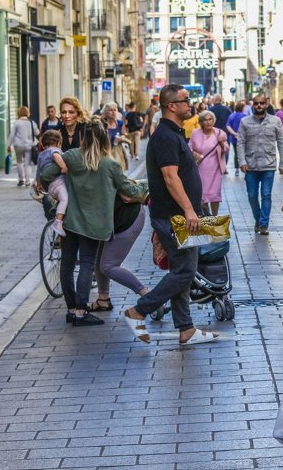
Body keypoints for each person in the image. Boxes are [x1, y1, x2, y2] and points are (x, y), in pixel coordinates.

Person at [123, 83, 219, 346]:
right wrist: (189, 209)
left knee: (182, 269)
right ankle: (138, 311)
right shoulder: (165, 135)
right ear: (172, 106)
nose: (191, 104)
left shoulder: (174, 133)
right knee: (186, 271)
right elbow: (169, 176)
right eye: (186, 100)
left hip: (180, 214)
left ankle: (186, 328)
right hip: (174, 216)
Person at [38, 119, 146, 326]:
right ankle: (81, 312)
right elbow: (129, 191)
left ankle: (71, 309)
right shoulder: (110, 164)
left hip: (70, 220)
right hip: (94, 224)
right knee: (87, 265)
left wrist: (64, 174)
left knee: (67, 264)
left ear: (82, 138)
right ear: (105, 139)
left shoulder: (70, 157)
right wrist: (146, 187)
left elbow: (46, 175)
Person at [91, 142, 149, 312]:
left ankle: (148, 295)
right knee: (99, 262)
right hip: (114, 223)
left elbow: (129, 192)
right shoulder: (91, 173)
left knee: (108, 266)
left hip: (128, 220)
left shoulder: (106, 169)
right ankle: (103, 300)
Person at [238, 93, 283, 234]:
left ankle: (263, 224)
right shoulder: (245, 122)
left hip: (268, 164)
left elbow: (282, 143)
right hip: (250, 165)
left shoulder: (276, 121)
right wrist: (241, 161)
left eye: (261, 103)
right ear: (252, 105)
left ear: (266, 104)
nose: (259, 105)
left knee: (266, 195)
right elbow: (240, 142)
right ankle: (258, 219)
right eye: (256, 103)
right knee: (252, 195)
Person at [190, 110, 229, 215]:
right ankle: (207, 217)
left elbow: (226, 149)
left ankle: (215, 216)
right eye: (205, 120)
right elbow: (189, 148)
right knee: (203, 195)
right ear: (201, 122)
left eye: (210, 119)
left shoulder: (220, 133)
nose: (207, 122)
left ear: (213, 120)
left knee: (215, 195)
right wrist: (194, 154)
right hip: (201, 168)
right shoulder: (195, 133)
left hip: (215, 168)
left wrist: (221, 144)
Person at [37, 129, 71, 236]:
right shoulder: (55, 150)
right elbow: (56, 156)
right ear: (58, 143)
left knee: (60, 200)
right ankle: (58, 222)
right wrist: (64, 167)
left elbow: (39, 171)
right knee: (65, 199)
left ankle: (57, 214)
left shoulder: (41, 155)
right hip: (58, 182)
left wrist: (38, 184)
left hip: (49, 187)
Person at [7, 106, 39, 187]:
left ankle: (21, 180)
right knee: (27, 163)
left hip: (18, 145)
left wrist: (8, 145)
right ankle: (28, 181)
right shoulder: (32, 122)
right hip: (29, 145)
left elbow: (12, 135)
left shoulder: (17, 123)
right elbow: (37, 133)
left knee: (19, 162)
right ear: (27, 113)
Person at [226, 100, 247, 177]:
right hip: (244, 138)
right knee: (245, 153)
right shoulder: (245, 116)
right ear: (242, 108)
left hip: (234, 138)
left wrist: (234, 133)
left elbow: (228, 126)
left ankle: (237, 169)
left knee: (236, 153)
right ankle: (245, 168)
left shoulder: (231, 116)